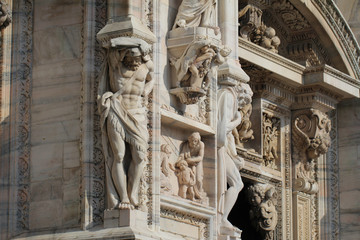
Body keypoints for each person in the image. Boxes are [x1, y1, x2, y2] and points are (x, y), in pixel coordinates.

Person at [98, 37, 154, 210]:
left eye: (137, 58)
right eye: (130, 58)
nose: (134, 62)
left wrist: (147, 89)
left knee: (140, 156)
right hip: (117, 111)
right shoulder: (116, 65)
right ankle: (123, 197)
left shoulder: (146, 67)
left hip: (137, 114)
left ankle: (133, 193)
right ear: (124, 55)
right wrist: (137, 45)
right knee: (119, 156)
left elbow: (153, 79)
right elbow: (111, 42)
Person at [217, 82, 253, 233]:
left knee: (237, 183)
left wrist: (234, 156)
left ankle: (221, 217)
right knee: (237, 183)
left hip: (224, 148)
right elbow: (222, 130)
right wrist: (237, 121)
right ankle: (221, 219)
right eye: (244, 102)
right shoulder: (229, 97)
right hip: (219, 147)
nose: (242, 107)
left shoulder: (227, 96)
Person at [179, 132, 205, 198]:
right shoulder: (186, 145)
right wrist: (178, 161)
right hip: (187, 162)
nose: (193, 142)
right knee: (188, 177)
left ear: (198, 141)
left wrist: (191, 160)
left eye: (195, 141)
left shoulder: (201, 144)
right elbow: (182, 154)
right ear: (189, 140)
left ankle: (199, 193)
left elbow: (200, 157)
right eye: (192, 140)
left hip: (197, 161)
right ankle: (190, 194)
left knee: (198, 179)